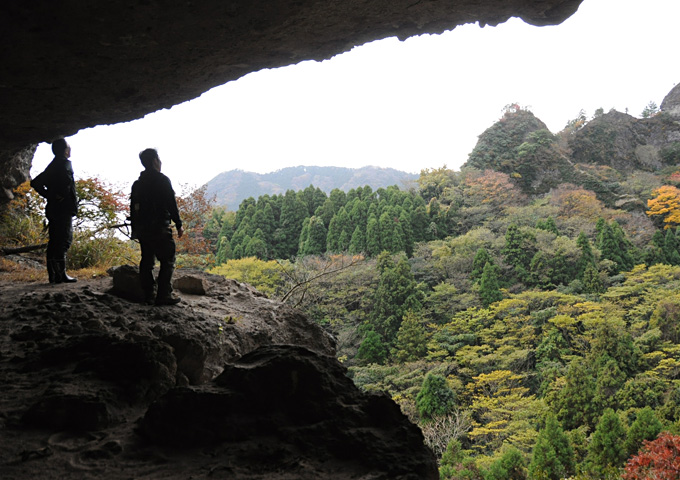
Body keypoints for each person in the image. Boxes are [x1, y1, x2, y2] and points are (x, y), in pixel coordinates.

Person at [130, 148, 184, 305]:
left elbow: (133, 208)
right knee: (167, 260)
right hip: (160, 228)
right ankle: (163, 295)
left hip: (143, 229)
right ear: (155, 161)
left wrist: (135, 230)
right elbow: (171, 204)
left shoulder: (137, 184)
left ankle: (148, 294)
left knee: (146, 261)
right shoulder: (162, 180)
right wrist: (179, 224)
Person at [31, 138, 78, 283]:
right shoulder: (63, 164)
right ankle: (60, 275)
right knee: (63, 240)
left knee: (55, 241)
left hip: (54, 208)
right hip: (62, 209)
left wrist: (50, 196)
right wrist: (56, 197)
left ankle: (54, 275)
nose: (70, 150)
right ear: (65, 150)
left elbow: (36, 182)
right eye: (69, 148)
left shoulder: (53, 165)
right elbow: (66, 187)